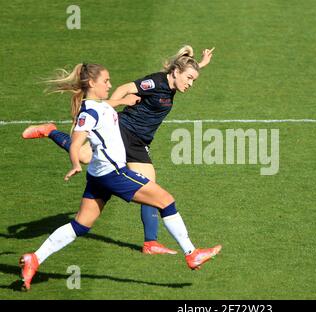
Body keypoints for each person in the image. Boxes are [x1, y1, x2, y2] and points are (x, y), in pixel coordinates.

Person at [19, 63, 221, 291]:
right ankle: (191, 253)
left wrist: (122, 102)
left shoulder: (99, 105)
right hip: (114, 173)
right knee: (166, 200)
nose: (110, 84)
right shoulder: (90, 111)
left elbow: (107, 105)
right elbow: (76, 142)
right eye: (106, 81)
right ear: (92, 83)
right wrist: (75, 164)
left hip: (99, 176)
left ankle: (34, 259)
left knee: (80, 225)